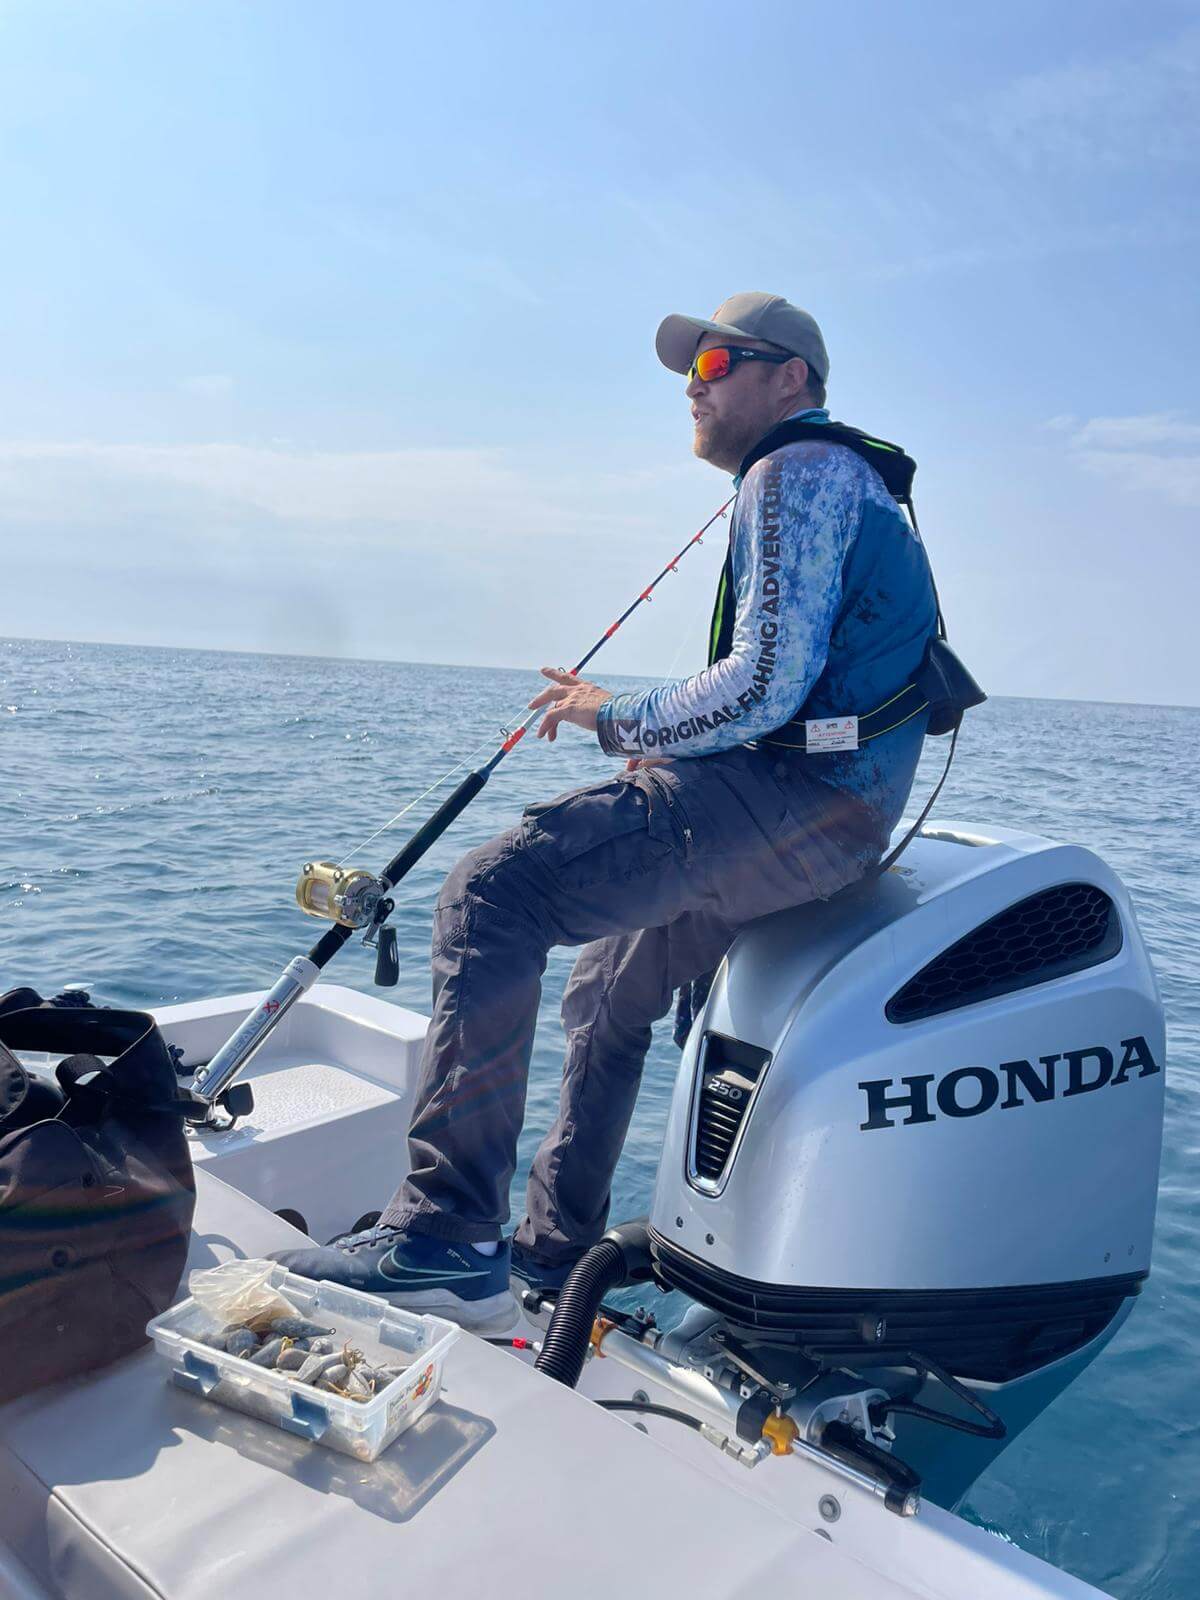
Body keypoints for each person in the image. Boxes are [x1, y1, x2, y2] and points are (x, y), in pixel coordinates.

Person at [274, 292, 938, 1329]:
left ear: (791, 380)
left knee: (492, 893)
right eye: (690, 367)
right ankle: (547, 1255)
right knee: (608, 993)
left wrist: (611, 717)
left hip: (793, 801)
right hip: (832, 823)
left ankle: (446, 1234)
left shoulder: (797, 471)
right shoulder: (840, 482)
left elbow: (762, 686)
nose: (693, 383)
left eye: (718, 362)